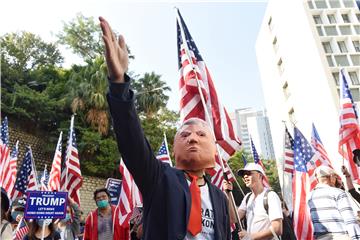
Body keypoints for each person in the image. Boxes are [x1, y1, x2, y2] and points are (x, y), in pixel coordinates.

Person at [99, 16, 231, 239]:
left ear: (215, 151)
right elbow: (131, 140)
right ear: (174, 147)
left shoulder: (219, 197)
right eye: (185, 134)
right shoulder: (159, 179)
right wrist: (119, 82)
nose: (192, 139)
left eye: (201, 134)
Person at [308, 165, 360, 239]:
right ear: (331, 176)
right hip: (341, 237)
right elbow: (350, 220)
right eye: (336, 177)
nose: (337, 180)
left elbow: (352, 192)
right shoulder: (338, 193)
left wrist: (347, 176)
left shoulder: (310, 196)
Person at [236, 163, 283, 239]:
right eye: (243, 175)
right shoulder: (247, 197)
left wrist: (250, 237)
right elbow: (234, 218)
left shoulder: (271, 195)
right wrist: (228, 193)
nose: (245, 176)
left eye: (248, 173)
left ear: (260, 176)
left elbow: (277, 228)